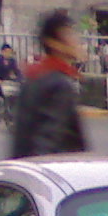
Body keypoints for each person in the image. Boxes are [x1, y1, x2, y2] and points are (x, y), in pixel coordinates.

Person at [11, 11, 88, 158]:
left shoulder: (35, 77)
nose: (77, 41)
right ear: (53, 44)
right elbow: (47, 140)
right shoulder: (60, 85)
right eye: (69, 35)